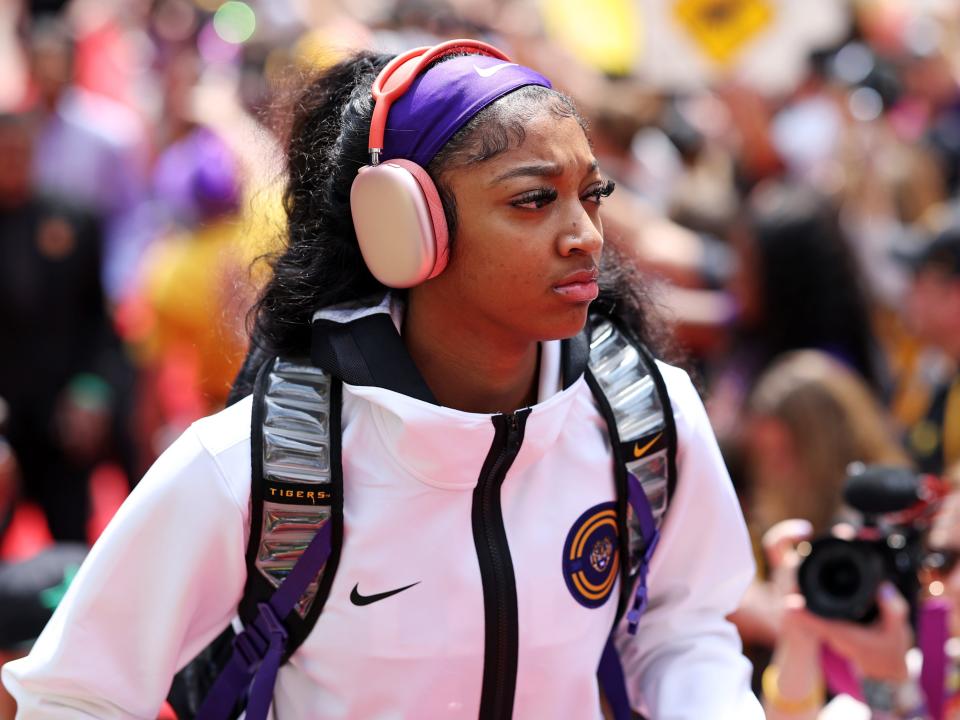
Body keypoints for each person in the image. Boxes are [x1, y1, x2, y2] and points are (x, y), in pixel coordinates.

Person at [2, 40, 761, 719]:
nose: (586, 236)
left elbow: (682, 627)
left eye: (592, 195)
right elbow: (74, 693)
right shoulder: (256, 466)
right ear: (403, 229)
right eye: (533, 199)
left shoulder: (645, 419)